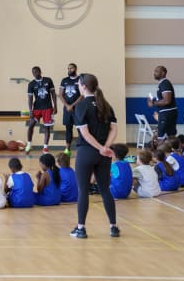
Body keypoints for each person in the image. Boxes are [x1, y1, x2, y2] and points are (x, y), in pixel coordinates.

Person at [71, 73, 119, 239]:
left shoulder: (81, 105)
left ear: (84, 86)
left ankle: (81, 228)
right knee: (105, 189)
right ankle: (113, 226)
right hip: (104, 153)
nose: (78, 87)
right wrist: (105, 147)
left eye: (78, 84)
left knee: (83, 190)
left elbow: (85, 134)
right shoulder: (106, 105)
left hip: (87, 151)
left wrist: (100, 147)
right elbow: (114, 129)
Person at [26, 66, 57, 154]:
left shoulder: (48, 80)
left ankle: (45, 147)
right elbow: (30, 98)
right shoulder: (31, 84)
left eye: (36, 72)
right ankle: (29, 144)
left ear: (40, 72)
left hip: (48, 107)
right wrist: (30, 110)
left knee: (47, 127)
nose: (35, 74)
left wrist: (55, 106)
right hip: (36, 108)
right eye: (33, 72)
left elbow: (53, 94)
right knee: (31, 125)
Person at [147, 66, 177, 142]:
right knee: (169, 137)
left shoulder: (165, 83)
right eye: (154, 71)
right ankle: (169, 152)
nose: (154, 73)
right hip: (166, 113)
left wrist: (153, 103)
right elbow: (162, 100)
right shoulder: (162, 84)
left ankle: (163, 153)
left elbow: (167, 100)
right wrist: (153, 100)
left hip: (167, 113)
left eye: (157, 71)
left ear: (163, 73)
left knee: (161, 138)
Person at [59, 63, 82, 156]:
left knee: (81, 128)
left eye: (71, 68)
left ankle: (82, 147)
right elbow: (61, 94)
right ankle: (67, 149)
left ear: (75, 69)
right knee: (68, 129)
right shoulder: (64, 80)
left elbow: (82, 95)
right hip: (67, 109)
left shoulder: (80, 79)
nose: (69, 70)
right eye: (68, 68)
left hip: (78, 109)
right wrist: (67, 105)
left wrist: (72, 105)